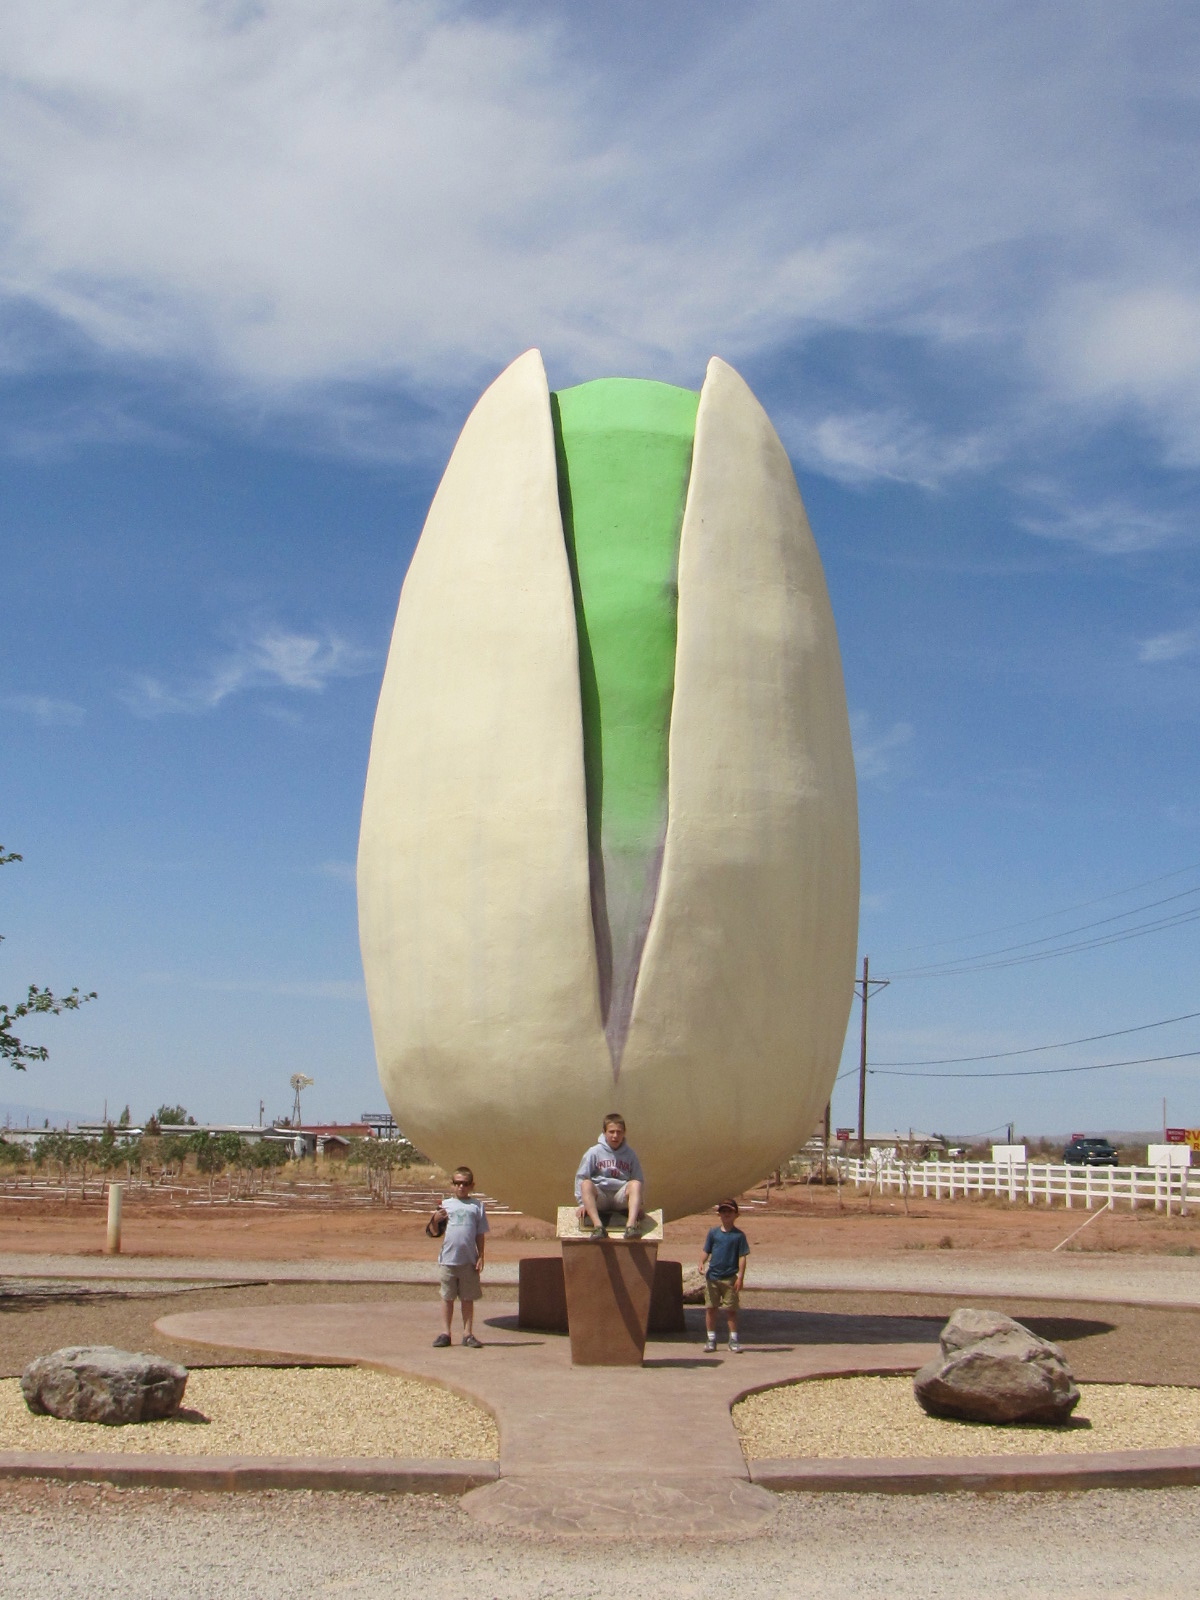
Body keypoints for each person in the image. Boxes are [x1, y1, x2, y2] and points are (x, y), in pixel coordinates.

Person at [425, 1165, 488, 1347]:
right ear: (452, 1185)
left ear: (472, 1185)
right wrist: (435, 1221)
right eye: (458, 1183)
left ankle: (468, 1333)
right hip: (448, 1259)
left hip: (468, 1260)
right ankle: (446, 1332)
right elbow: (435, 1232)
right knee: (447, 1297)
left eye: (465, 1183)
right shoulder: (445, 1205)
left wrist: (481, 1255)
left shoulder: (477, 1206)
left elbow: (480, 1234)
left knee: (467, 1298)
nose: (461, 1187)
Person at [574, 1113, 645, 1240]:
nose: (615, 1136)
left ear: (624, 1133)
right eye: (611, 1132)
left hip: (620, 1197)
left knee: (636, 1183)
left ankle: (630, 1227)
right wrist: (581, 1203)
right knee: (586, 1184)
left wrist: (638, 1204)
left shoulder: (630, 1154)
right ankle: (598, 1228)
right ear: (604, 1132)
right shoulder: (594, 1152)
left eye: (619, 1132)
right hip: (601, 1197)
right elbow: (581, 1176)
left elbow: (638, 1178)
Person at [698, 1198, 750, 1353]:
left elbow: (742, 1256)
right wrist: (701, 1262)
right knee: (711, 1308)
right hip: (713, 1276)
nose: (726, 1214)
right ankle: (711, 1338)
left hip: (729, 1278)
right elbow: (706, 1250)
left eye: (729, 1211)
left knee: (731, 1309)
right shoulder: (713, 1233)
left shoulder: (739, 1236)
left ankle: (733, 1339)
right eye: (723, 1211)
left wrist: (740, 1277)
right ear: (719, 1214)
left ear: (736, 1215)